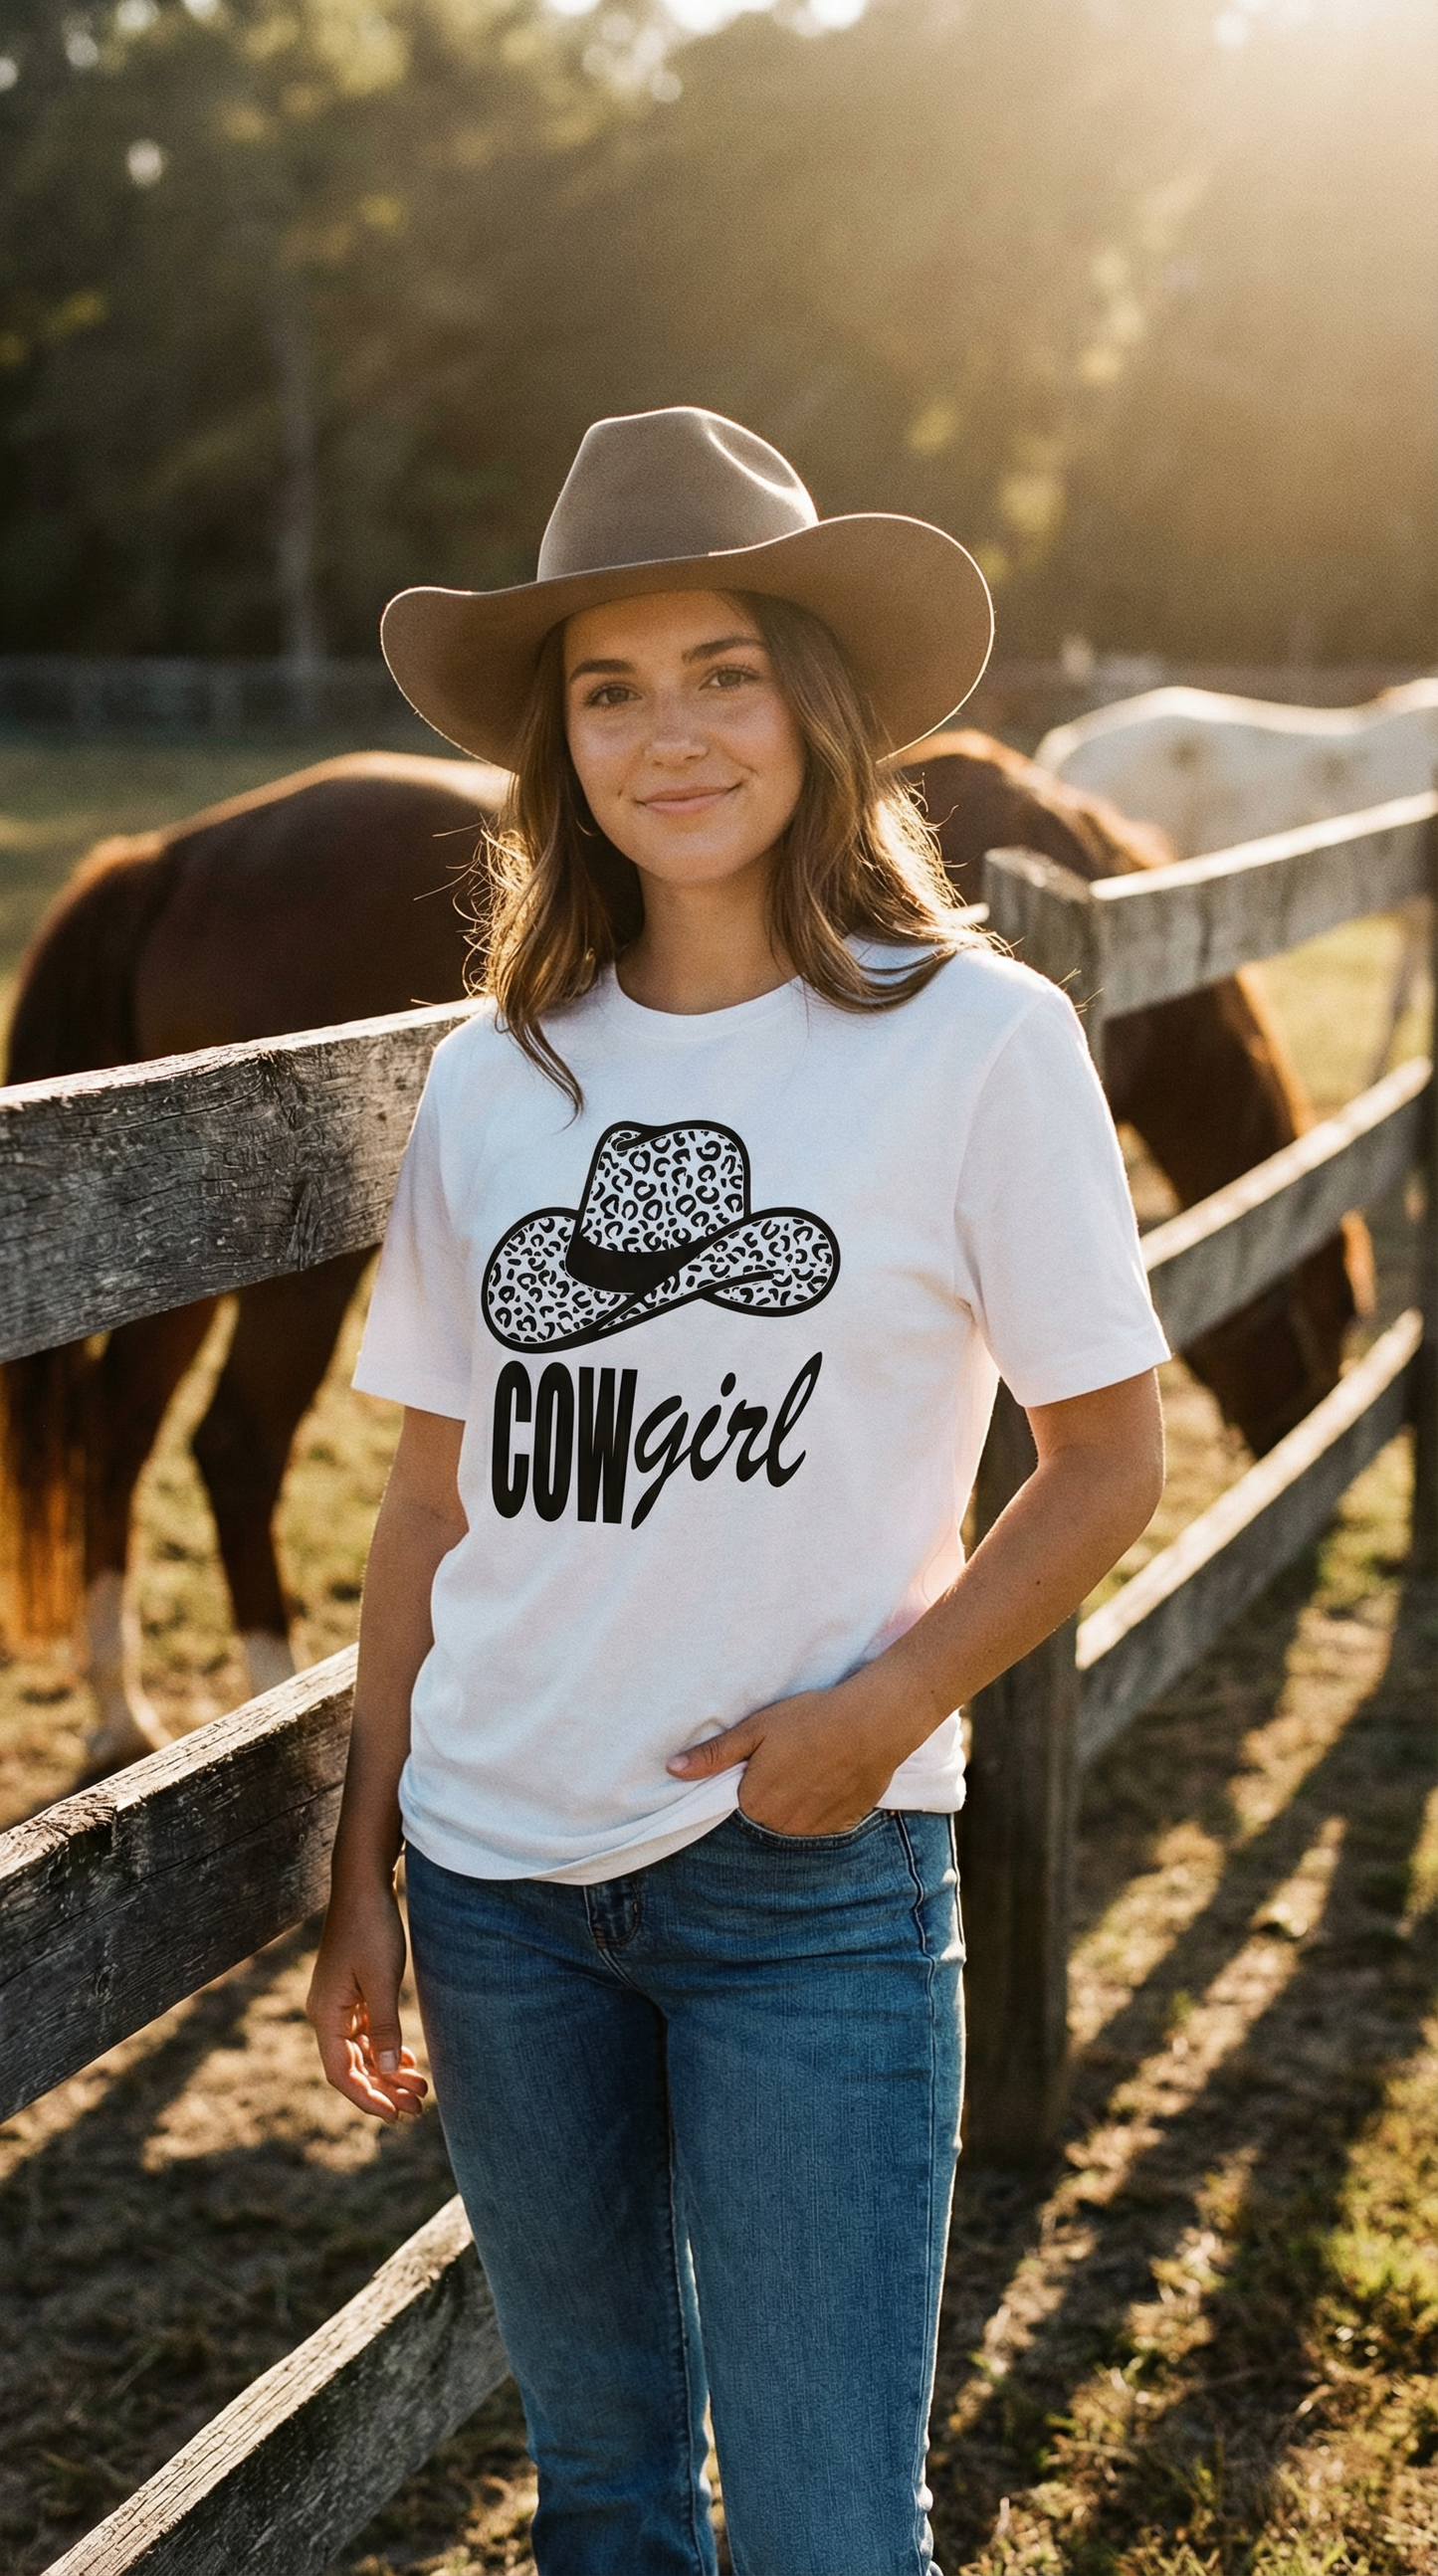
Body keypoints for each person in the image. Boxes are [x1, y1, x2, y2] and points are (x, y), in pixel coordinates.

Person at [307, 406, 1168, 2576]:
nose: (665, 734)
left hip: (805, 1885)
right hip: (497, 1888)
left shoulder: (970, 1041)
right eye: (608, 687)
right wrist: (362, 1866)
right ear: (556, 743)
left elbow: (1106, 1462)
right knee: (600, 2504)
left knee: (819, 2530)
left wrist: (877, 1721)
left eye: (721, 672)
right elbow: (428, 1506)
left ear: (818, 698)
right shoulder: (502, 1074)